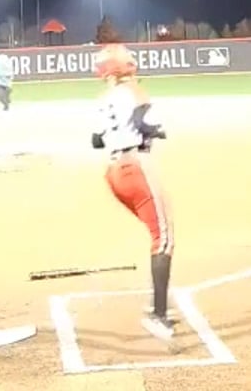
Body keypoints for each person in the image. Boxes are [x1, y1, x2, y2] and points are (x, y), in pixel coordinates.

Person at [90, 43, 175, 341]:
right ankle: (158, 316)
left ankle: (158, 310)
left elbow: (96, 141)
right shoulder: (134, 91)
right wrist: (157, 130)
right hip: (136, 166)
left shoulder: (103, 100)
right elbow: (145, 123)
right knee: (162, 238)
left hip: (114, 173)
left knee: (157, 233)